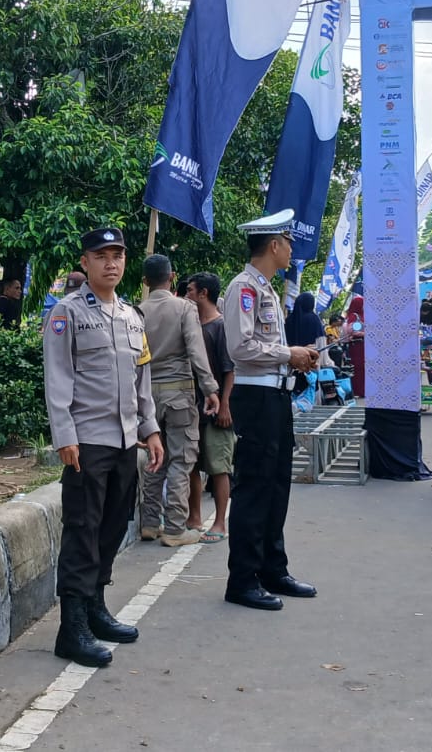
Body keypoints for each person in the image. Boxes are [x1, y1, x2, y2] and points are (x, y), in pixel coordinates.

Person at [43, 227, 165, 668]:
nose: (111, 263)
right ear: (85, 262)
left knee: (114, 526)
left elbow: (142, 382)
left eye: (118, 255)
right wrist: (65, 436)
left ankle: (95, 608)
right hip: (87, 442)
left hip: (123, 442)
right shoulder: (67, 313)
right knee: (83, 530)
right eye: (101, 255)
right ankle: (71, 628)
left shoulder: (134, 318)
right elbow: (57, 377)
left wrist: (150, 430)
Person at [222, 209, 320, 612]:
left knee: (278, 485)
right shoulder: (243, 288)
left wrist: (294, 359)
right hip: (256, 398)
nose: (291, 249)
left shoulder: (266, 289)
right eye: (288, 242)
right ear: (274, 245)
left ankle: (272, 569)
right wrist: (289, 352)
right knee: (254, 488)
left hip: (276, 396)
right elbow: (240, 348)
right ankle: (242, 579)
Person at [136, 255, 219, 548]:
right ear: (172, 277)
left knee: (154, 459)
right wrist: (210, 388)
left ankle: (149, 523)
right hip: (180, 392)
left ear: (145, 281)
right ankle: (173, 527)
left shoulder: (137, 312)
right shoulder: (184, 307)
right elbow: (197, 351)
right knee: (181, 461)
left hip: (147, 396)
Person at [183, 272, 233, 544]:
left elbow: (230, 370)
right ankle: (194, 516)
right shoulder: (190, 325)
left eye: (191, 290)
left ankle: (220, 521)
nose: (187, 295)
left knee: (218, 465)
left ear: (203, 293)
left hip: (216, 409)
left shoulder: (221, 326)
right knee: (192, 462)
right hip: (191, 406)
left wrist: (225, 404)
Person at [341, 284, 366, 398]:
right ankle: (358, 391)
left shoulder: (361, 315)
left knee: (363, 368)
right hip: (357, 346)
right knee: (358, 368)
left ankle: (363, 390)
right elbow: (354, 331)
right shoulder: (355, 316)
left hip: (361, 346)